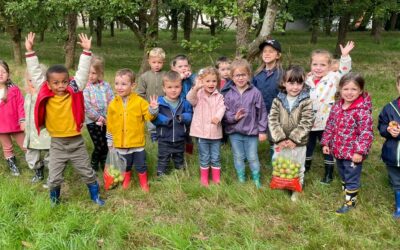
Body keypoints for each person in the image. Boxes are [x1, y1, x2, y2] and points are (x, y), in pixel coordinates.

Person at [25, 32, 104, 206]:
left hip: (76, 142)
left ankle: (95, 196)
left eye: (64, 81)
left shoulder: (74, 89)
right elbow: (36, 73)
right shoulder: (44, 90)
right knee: (54, 177)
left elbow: (82, 73)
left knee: (87, 172)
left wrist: (86, 51)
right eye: (56, 82)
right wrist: (30, 52)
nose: (61, 85)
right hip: (57, 144)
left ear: (69, 81)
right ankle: (55, 200)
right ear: (48, 83)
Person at [321, 72, 373, 214]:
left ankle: (350, 202)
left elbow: (366, 133)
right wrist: (326, 143)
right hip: (338, 149)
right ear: (340, 89)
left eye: (354, 89)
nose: (349, 93)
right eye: (346, 89)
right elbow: (330, 125)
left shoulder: (362, 111)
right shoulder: (337, 107)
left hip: (353, 153)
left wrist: (359, 152)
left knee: (351, 175)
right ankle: (347, 192)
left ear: (360, 91)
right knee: (343, 172)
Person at [305, 41, 355, 184]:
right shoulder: (307, 80)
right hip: (309, 122)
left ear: (329, 66)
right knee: (308, 145)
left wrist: (344, 56)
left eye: (323, 65)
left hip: (328, 122)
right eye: (315, 64)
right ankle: (306, 167)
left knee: (327, 148)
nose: (318, 68)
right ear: (311, 65)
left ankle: (328, 174)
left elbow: (345, 70)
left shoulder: (334, 77)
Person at [106, 69, 158, 191]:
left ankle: (144, 183)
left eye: (123, 84)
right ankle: (126, 181)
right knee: (126, 165)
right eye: (117, 83)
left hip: (137, 143)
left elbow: (149, 116)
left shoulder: (140, 102)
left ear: (133, 85)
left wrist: (153, 109)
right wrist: (110, 141)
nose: (119, 87)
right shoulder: (113, 104)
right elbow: (110, 124)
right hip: (120, 143)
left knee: (141, 165)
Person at [268, 66, 314, 201]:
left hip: (298, 143)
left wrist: (294, 139)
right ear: (284, 83)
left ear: (303, 83)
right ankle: (281, 184)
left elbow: (307, 121)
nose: (295, 87)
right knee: (279, 163)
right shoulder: (278, 100)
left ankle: (296, 189)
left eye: (299, 83)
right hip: (280, 142)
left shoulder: (306, 101)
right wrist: (280, 138)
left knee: (297, 165)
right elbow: (272, 119)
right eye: (291, 83)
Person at [224, 59, 268, 188]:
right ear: (232, 77)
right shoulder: (229, 94)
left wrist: (262, 130)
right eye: (237, 75)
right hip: (234, 132)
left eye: (243, 75)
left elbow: (262, 113)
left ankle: (256, 179)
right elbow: (225, 113)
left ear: (249, 75)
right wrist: (234, 117)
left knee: (252, 157)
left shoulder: (255, 93)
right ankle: (241, 177)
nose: (241, 78)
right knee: (238, 156)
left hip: (251, 132)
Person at [187, 67, 225, 186]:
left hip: (215, 133)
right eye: (207, 81)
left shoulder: (219, 96)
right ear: (202, 82)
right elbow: (190, 99)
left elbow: (222, 107)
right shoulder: (198, 94)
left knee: (215, 156)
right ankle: (204, 179)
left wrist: (218, 117)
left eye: (214, 81)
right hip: (202, 132)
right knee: (204, 156)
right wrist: (196, 87)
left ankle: (216, 179)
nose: (211, 84)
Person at [152, 71, 193, 177]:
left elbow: (190, 115)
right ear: (164, 88)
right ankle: (161, 175)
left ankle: (180, 173)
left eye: (176, 87)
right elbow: (153, 119)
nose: (173, 90)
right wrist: (165, 120)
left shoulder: (184, 102)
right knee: (163, 158)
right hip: (164, 138)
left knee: (179, 157)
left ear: (181, 87)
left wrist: (183, 117)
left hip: (180, 138)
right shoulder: (159, 102)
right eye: (169, 87)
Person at [252, 39, 284, 163]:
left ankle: (275, 161)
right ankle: (248, 157)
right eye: (264, 51)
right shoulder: (257, 74)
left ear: (278, 55)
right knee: (252, 135)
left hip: (275, 112)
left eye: (271, 51)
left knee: (274, 137)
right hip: (259, 112)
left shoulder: (282, 74)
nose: (267, 54)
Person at [83, 55, 114, 171]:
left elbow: (112, 100)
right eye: (88, 73)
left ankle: (104, 165)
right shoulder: (85, 88)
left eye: (94, 73)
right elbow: (86, 106)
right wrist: (98, 118)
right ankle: (93, 164)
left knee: (106, 144)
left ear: (100, 73)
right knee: (99, 145)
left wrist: (109, 117)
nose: (90, 76)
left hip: (107, 121)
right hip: (93, 122)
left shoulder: (106, 86)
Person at [377, 74, 400, 219]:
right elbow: (381, 126)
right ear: (397, 86)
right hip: (393, 153)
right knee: (396, 181)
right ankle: (399, 206)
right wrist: (388, 130)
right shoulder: (389, 108)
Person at [24, 66, 51, 183]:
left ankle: (52, 173)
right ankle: (38, 171)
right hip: (31, 133)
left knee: (51, 154)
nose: (33, 83)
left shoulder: (46, 97)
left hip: (45, 132)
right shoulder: (27, 96)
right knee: (31, 154)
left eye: (36, 80)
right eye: (30, 80)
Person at [0, 60, 25, 176]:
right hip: (1, 126)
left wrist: (22, 120)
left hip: (16, 124)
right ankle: (13, 166)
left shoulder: (14, 89)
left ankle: (36, 164)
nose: (0, 74)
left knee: (25, 145)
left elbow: (21, 105)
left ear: (8, 74)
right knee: (7, 147)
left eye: (3, 72)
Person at [136, 48, 166, 142]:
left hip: (164, 104)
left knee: (164, 120)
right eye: (154, 62)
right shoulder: (144, 76)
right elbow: (140, 93)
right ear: (149, 62)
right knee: (151, 121)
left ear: (163, 62)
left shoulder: (166, 75)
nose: (156, 65)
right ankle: (153, 135)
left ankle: (164, 135)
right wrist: (144, 105)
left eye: (159, 62)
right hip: (150, 105)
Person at [170, 54, 195, 154]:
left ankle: (189, 153)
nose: (184, 68)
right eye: (180, 67)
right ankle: (177, 151)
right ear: (174, 68)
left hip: (189, 108)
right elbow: (171, 86)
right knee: (178, 131)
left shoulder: (191, 77)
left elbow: (198, 81)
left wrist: (191, 76)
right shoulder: (172, 78)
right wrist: (179, 78)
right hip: (176, 108)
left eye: (186, 66)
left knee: (188, 133)